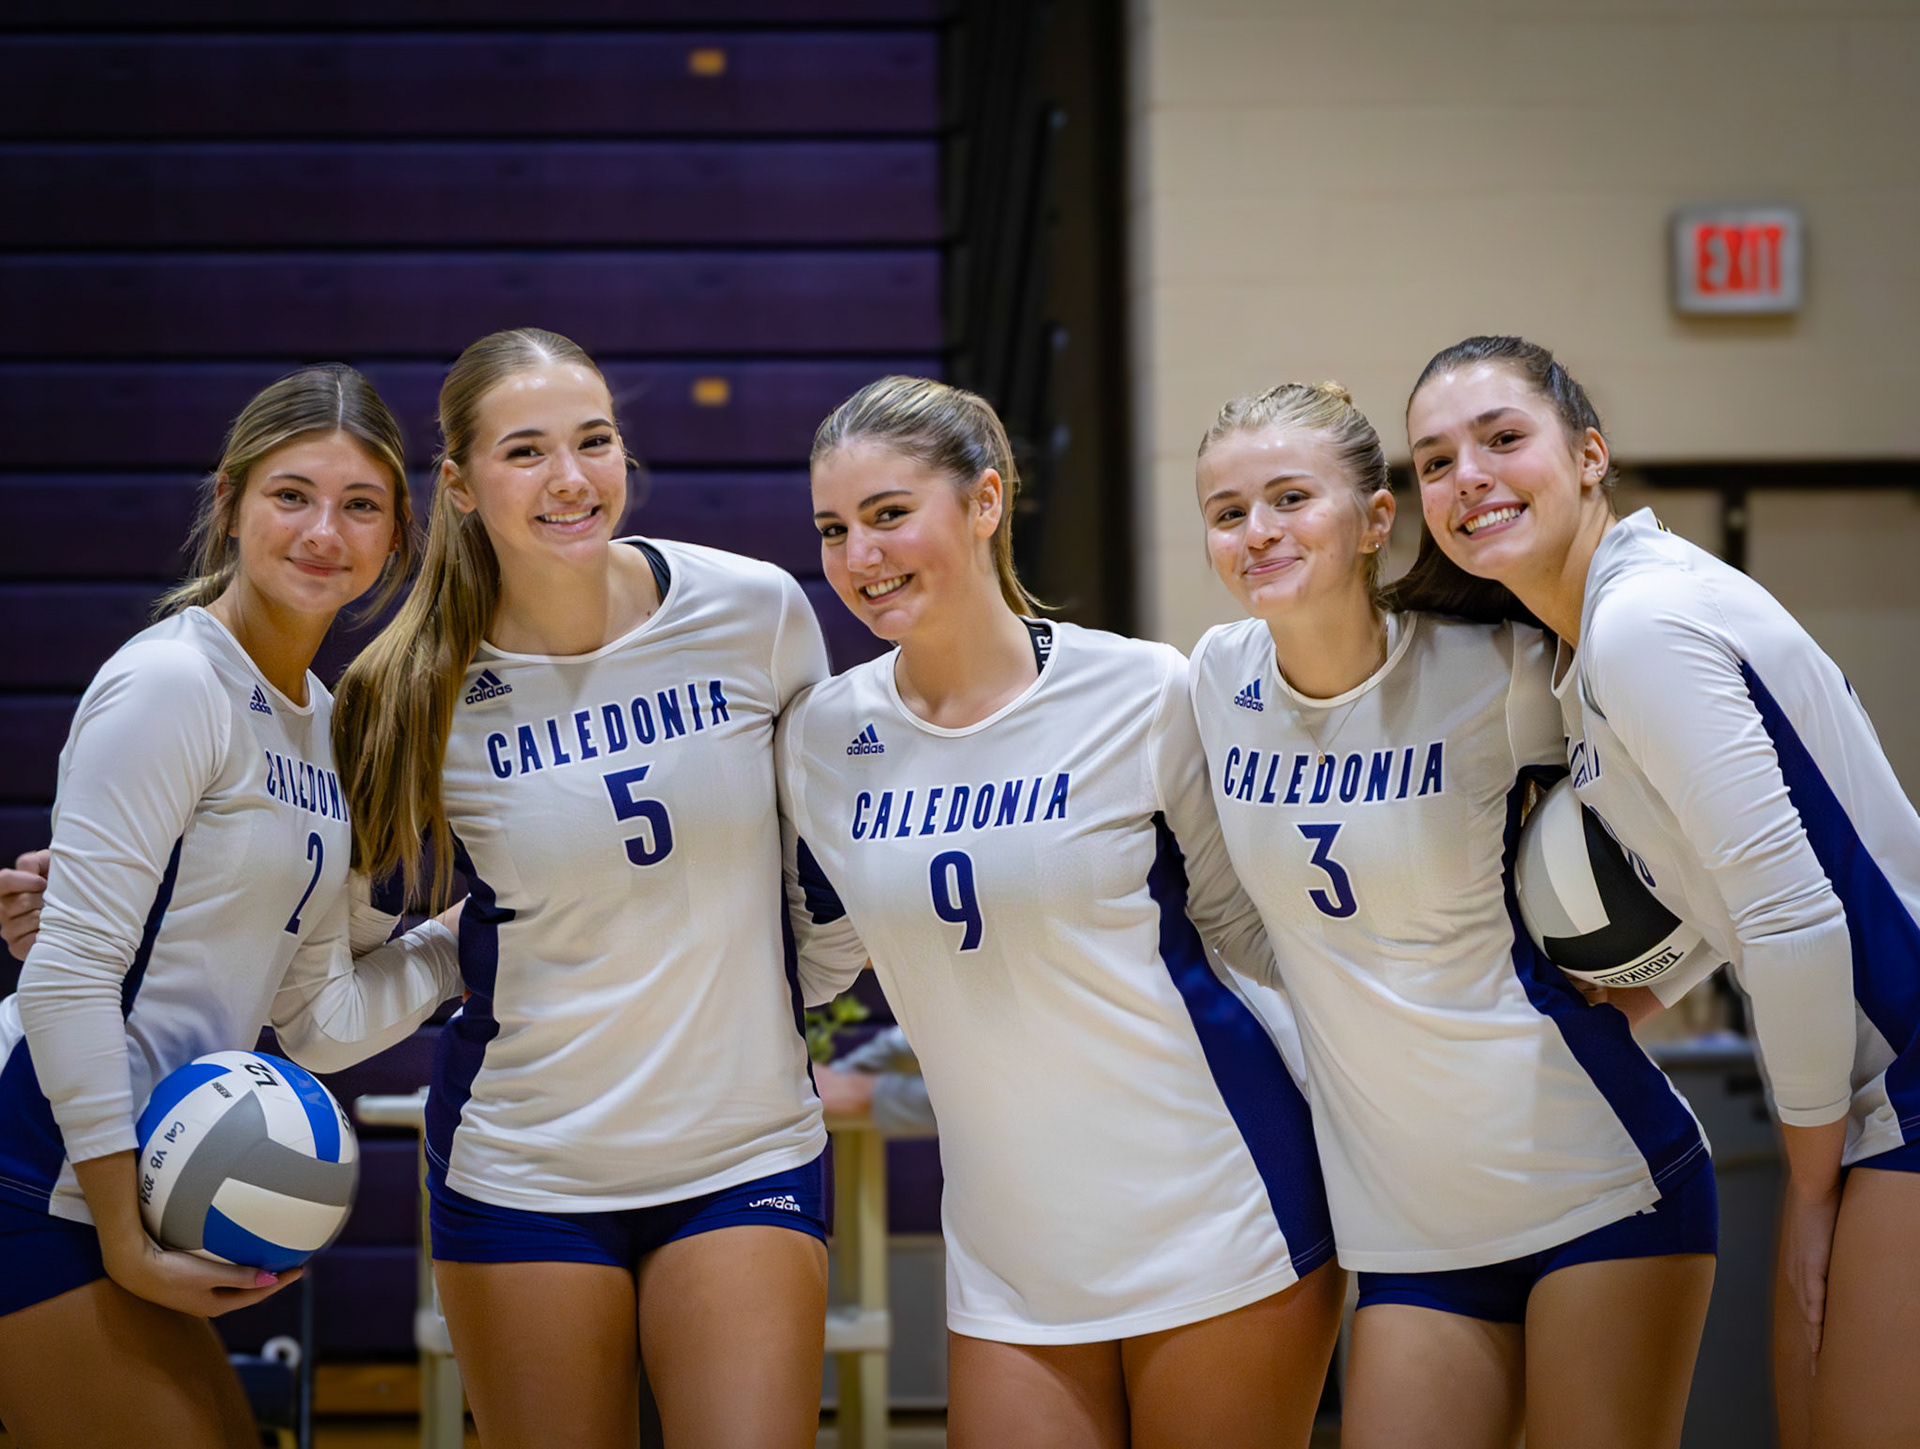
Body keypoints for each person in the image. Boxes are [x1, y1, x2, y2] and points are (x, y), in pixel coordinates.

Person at [779, 375, 1343, 1449]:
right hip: (1010, 1253)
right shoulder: (823, 738)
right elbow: (818, 960)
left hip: (1218, 1211)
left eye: (892, 515)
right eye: (834, 529)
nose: (860, 557)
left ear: (985, 502)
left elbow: (1248, 936)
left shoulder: (1143, 690)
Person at [1402, 334, 1920, 1449]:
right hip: (1882, 1084)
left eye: (1502, 440)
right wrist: (1631, 1000)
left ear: (1590, 454)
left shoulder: (1639, 626)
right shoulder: (1588, 647)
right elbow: (1716, 896)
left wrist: (1811, 1191)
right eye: (1435, 462)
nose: (1468, 478)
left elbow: (1790, 914)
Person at [1187, 380, 1715, 1449]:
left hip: (1597, 1181)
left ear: (1377, 520)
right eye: (1229, 511)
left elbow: (1714, 850)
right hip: (1408, 1228)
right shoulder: (1216, 677)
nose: (1258, 533)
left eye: (1291, 498)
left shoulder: (1503, 668)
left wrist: (1644, 988)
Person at [330, 327, 833, 1449]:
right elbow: (323, 991)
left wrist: (792, 1004)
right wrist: (463, 942)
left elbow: (830, 883)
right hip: (525, 1167)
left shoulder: (754, 612)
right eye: (525, 453)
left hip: (744, 1152)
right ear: (458, 485)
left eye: (593, 441)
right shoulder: (406, 691)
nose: (570, 480)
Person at [0, 367, 460, 1448]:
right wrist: (122, 1234)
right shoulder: (172, 683)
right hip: (44, 1166)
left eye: (360, 506)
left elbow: (317, 1023)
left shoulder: (323, 725)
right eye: (290, 495)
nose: (322, 532)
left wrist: (458, 947)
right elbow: (67, 973)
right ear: (229, 504)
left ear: (396, 536)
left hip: (139, 1187)